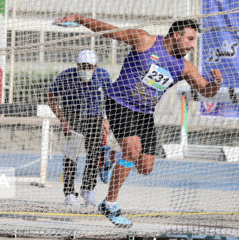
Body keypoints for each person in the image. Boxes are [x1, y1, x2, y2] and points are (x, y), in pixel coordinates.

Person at [53, 16, 223, 227]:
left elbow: (205, 90)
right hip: (119, 103)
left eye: (193, 41)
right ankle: (110, 203)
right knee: (132, 151)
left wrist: (216, 83)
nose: (191, 45)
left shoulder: (185, 67)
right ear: (176, 35)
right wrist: (79, 19)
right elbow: (109, 30)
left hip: (144, 113)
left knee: (145, 167)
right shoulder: (145, 40)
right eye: (189, 39)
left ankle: (108, 155)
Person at [48, 49, 113, 206]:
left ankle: (88, 189)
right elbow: (51, 97)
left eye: (89, 67)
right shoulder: (66, 76)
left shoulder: (103, 76)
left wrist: (106, 119)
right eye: (82, 66)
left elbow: (111, 99)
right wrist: (63, 120)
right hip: (73, 116)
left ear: (95, 67)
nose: (85, 70)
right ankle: (69, 193)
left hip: (94, 117)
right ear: (77, 65)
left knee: (94, 155)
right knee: (71, 156)